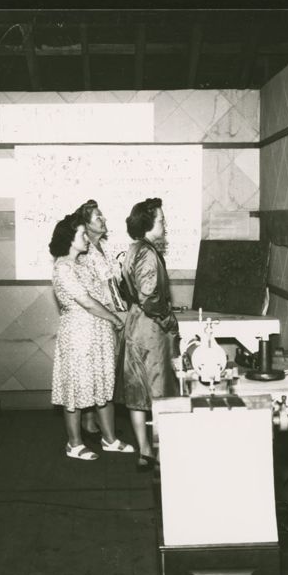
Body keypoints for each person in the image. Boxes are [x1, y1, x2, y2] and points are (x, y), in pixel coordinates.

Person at [48, 212, 134, 460]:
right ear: (69, 239)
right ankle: (74, 444)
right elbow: (86, 302)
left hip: (98, 331)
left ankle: (109, 439)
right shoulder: (63, 267)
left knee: (104, 383)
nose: (87, 237)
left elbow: (104, 291)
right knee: (75, 387)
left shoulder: (84, 262)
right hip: (78, 333)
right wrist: (115, 319)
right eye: (82, 234)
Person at [118, 197, 179, 471]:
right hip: (150, 329)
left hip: (135, 324)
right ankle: (160, 453)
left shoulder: (133, 249)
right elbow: (149, 296)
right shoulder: (148, 253)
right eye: (161, 220)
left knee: (137, 390)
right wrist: (168, 320)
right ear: (148, 223)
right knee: (159, 389)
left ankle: (144, 449)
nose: (165, 224)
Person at [74, 199, 127, 440]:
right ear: (85, 224)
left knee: (107, 366)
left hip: (112, 312)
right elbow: (90, 291)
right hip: (94, 317)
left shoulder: (104, 247)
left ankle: (94, 419)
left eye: (103, 215)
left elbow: (113, 283)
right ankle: (88, 418)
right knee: (93, 369)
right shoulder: (83, 253)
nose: (103, 219)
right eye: (98, 217)